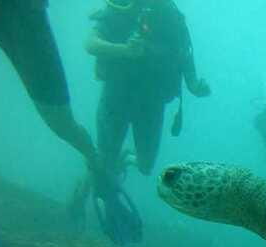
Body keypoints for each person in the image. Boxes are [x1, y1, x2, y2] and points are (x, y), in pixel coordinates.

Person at [85, 0, 211, 177]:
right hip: (116, 97)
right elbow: (90, 43)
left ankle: (127, 158)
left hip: (151, 104)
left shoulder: (170, 15)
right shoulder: (120, 7)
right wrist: (124, 50)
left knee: (146, 166)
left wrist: (194, 85)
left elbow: (184, 55)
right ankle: (103, 186)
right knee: (106, 160)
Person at [0, 0, 98, 167]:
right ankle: (95, 160)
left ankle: (95, 161)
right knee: (60, 122)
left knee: (60, 123)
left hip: (24, 16)